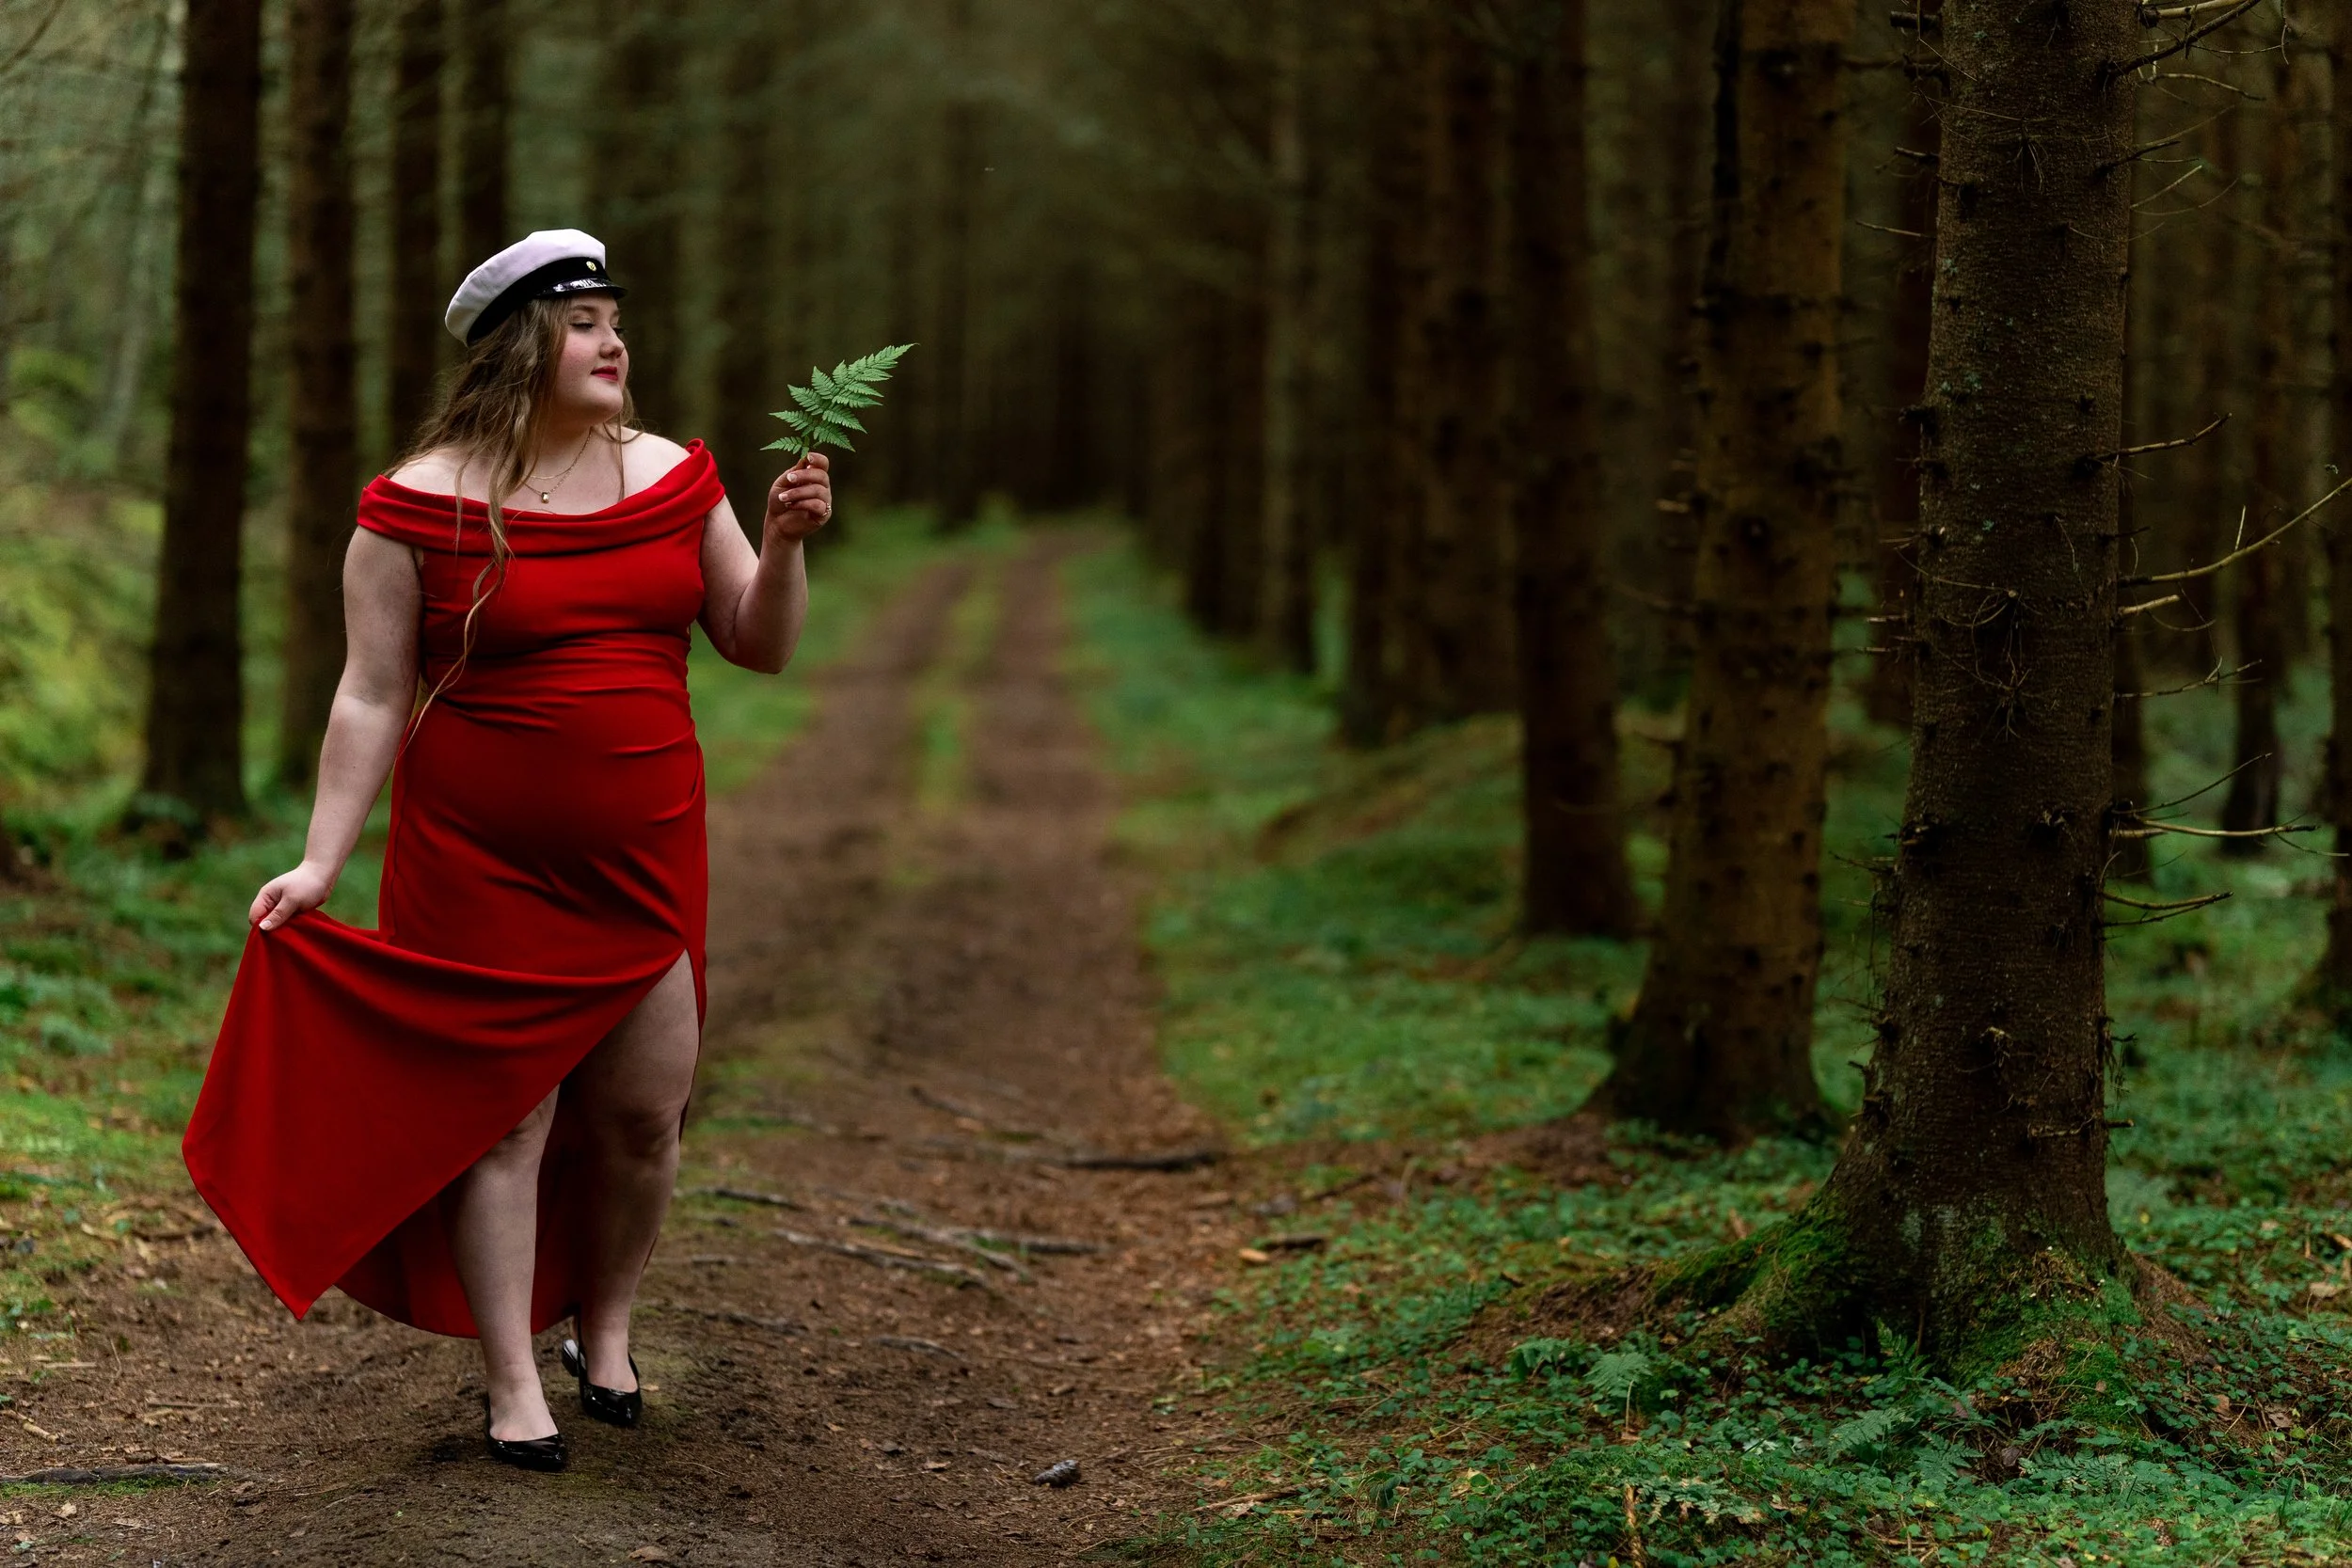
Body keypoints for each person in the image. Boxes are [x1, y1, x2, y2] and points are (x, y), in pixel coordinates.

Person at [183, 230, 832, 1472]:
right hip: (475, 856)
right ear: (526, 344)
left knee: (645, 1113)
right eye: (584, 321)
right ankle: (509, 1377)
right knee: (504, 1123)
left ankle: (612, 1328)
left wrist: (788, 542)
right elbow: (371, 694)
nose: (614, 340)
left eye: (615, 319)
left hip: (642, 860)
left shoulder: (678, 481)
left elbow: (758, 641)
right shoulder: (413, 503)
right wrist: (323, 860)